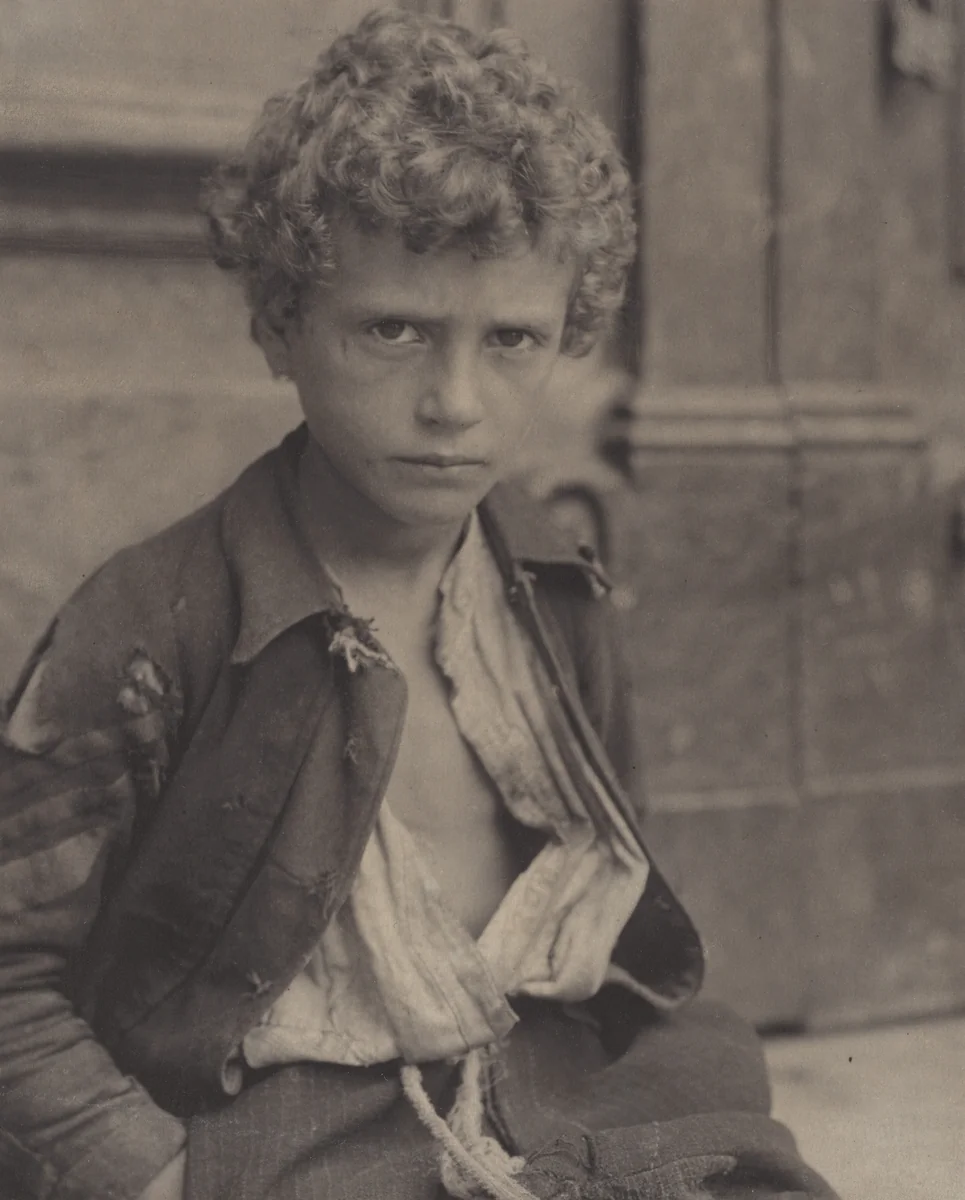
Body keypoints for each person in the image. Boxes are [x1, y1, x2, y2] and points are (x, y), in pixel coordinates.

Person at [0, 9, 837, 1200]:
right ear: (283, 322)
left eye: (510, 340)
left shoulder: (556, 589)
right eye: (393, 329)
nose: (454, 402)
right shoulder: (149, 625)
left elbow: (610, 896)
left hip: (560, 1093)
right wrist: (158, 1178)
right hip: (288, 1135)